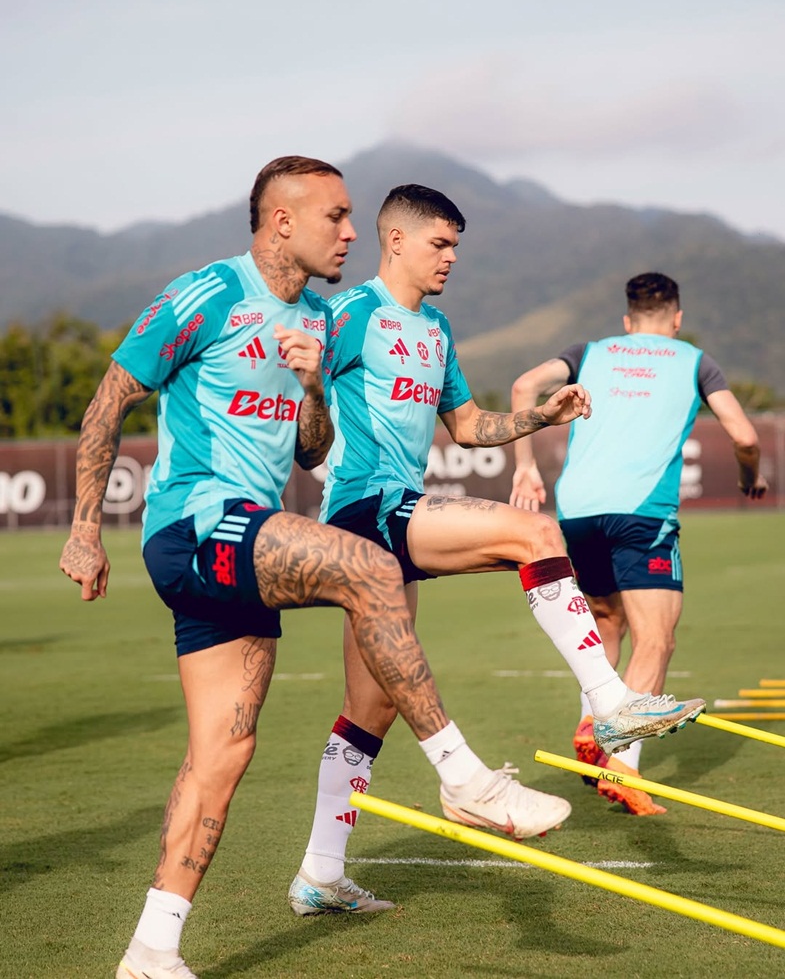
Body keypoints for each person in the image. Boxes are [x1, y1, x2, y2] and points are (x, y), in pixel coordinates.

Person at [59, 157, 576, 979]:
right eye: (335, 217)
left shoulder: (322, 318)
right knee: (369, 566)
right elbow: (108, 400)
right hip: (196, 525)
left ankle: (150, 950)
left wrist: (309, 387)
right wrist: (86, 529)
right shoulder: (208, 293)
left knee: (222, 757)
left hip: (244, 545)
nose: (348, 231)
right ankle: (462, 776)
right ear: (281, 223)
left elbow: (311, 450)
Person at [287, 187, 705, 916]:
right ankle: (610, 703)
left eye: (455, 246)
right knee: (534, 534)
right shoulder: (347, 313)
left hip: (393, 514)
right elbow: (306, 427)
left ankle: (319, 875)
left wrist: (538, 415)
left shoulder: (438, 327)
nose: (450, 258)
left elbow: (468, 425)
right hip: (362, 510)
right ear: (395, 240)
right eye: (438, 245)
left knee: (371, 707)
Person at [509, 271, 768, 816]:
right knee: (658, 640)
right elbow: (744, 436)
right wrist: (748, 479)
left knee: (607, 621)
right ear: (676, 319)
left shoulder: (590, 352)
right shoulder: (694, 360)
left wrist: (526, 468)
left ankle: (592, 720)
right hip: (641, 514)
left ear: (627, 322)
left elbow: (523, 387)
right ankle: (624, 766)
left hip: (576, 509)